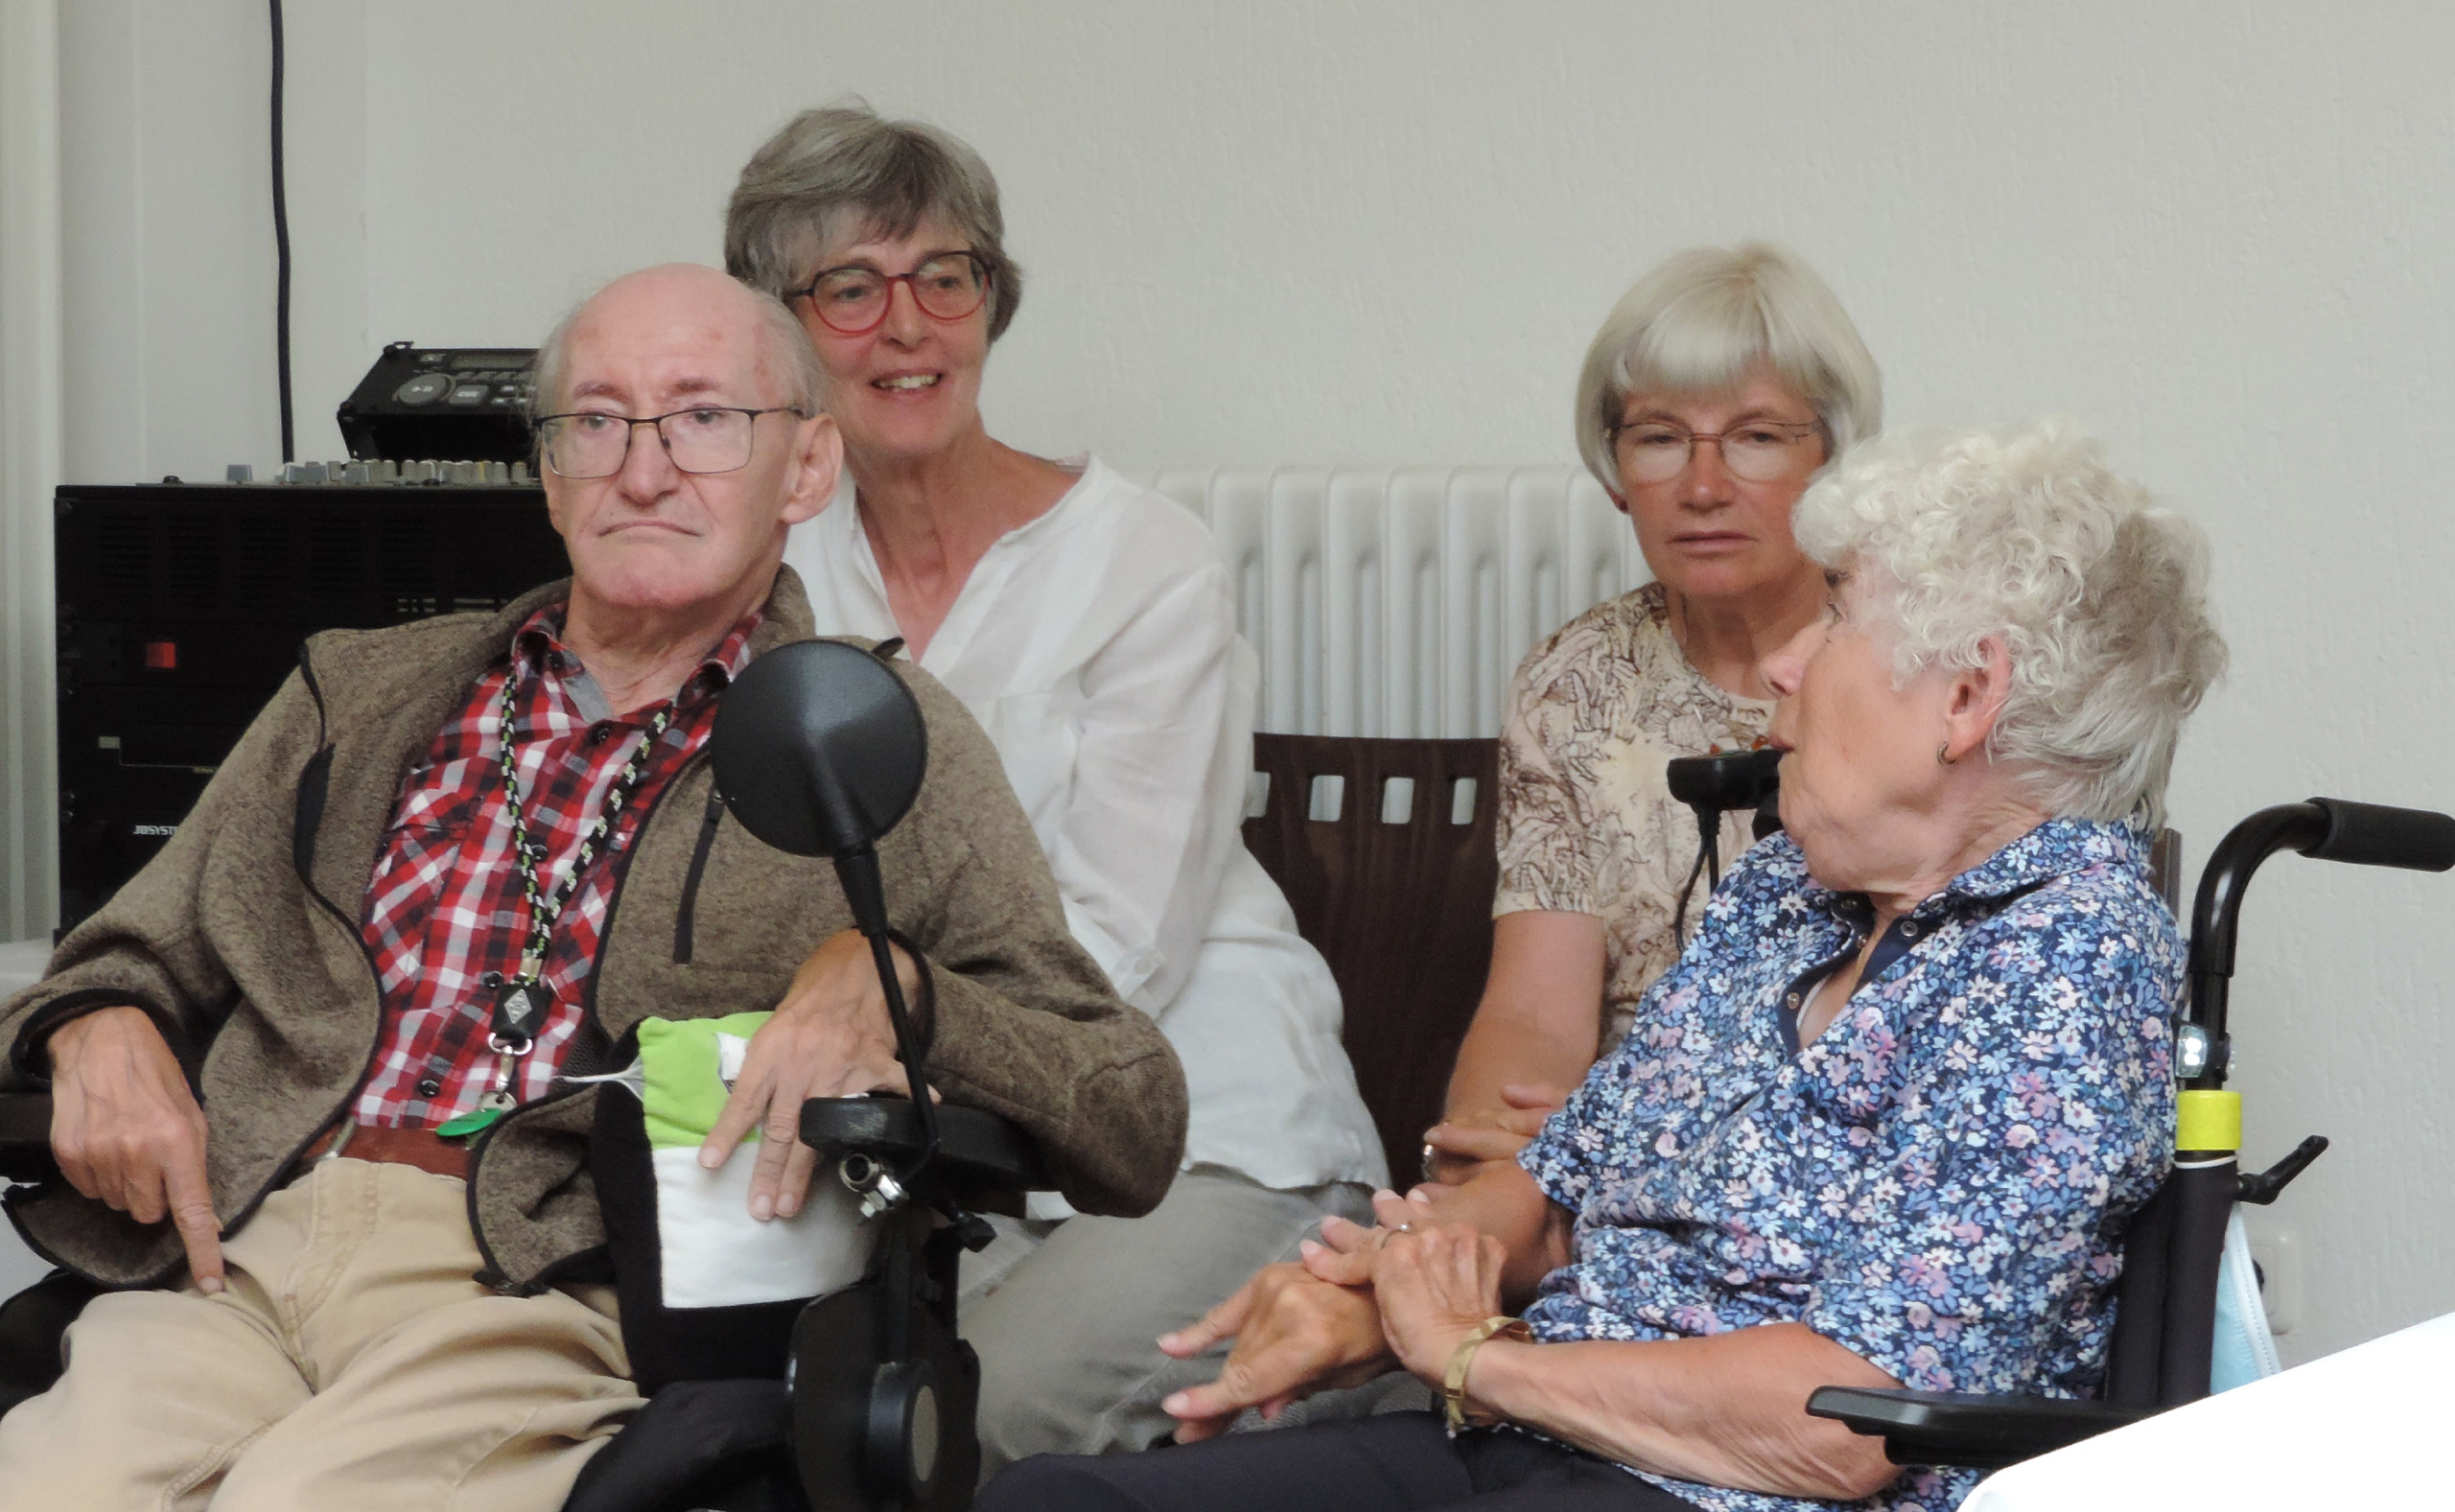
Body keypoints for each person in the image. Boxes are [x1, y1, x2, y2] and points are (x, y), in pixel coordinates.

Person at [0, 263, 1186, 1509]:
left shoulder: (871, 736)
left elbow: (1130, 1116)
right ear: (548, 471)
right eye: (598, 421)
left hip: (541, 1287)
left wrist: (901, 988)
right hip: (232, 1257)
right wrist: (98, 1024)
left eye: (703, 419)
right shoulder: (353, 695)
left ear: (808, 469)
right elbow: (121, 954)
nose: (644, 466)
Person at [976, 419, 2228, 1512]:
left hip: (1743, 1498)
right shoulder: (1796, 889)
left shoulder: (2066, 964)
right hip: (1543, 1441)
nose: (1787, 659)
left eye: (1838, 607)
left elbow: (1848, 1417)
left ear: (1966, 695)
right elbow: (1562, 1189)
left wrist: (1473, 1359)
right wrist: (1394, 1279)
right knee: (1056, 1498)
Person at [723, 105, 1386, 1475]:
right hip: (935, 1146)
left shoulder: (1145, 561)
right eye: (850, 287)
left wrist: (893, 985)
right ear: (778, 331)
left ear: (991, 301)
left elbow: (1123, 939)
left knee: (989, 1422)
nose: (907, 326)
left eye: (945, 277)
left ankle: (1352, 1374)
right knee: (777, 1418)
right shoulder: (773, 576)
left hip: (1200, 1125)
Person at [1427, 244, 1882, 1190]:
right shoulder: (1575, 681)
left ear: (1830, 459)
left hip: (1843, 1141)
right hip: (1601, 1151)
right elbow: (1537, 1014)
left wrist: (1668, 1132)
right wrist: (1484, 1166)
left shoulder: (1908, 660)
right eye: (1661, 437)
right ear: (1614, 470)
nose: (1703, 485)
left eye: (1757, 437)